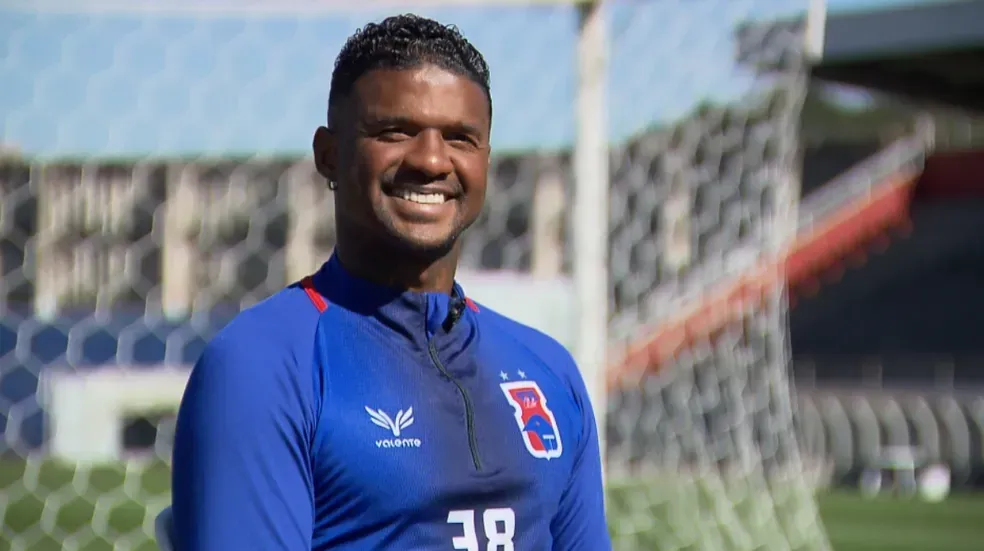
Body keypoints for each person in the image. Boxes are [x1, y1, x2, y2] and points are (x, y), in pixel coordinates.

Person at [170, 13, 610, 550]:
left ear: (486, 162)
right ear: (328, 155)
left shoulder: (549, 371)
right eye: (395, 132)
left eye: (460, 138)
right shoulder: (264, 365)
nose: (430, 160)